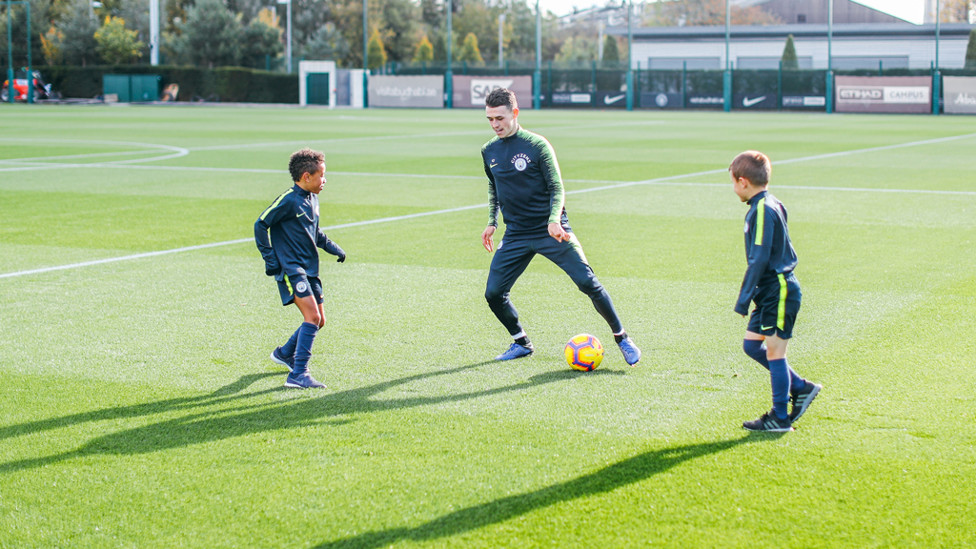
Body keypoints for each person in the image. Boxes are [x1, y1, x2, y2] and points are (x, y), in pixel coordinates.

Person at [480, 87, 641, 365]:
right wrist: (492, 222)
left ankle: (622, 337)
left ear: (515, 113)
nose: (495, 125)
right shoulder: (489, 151)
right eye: (490, 119)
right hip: (516, 233)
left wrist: (554, 220)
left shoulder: (537, 145)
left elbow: (557, 187)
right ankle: (521, 342)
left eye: (500, 118)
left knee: (587, 283)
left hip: (550, 230)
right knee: (493, 293)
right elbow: (495, 187)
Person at [730, 150, 821, 432]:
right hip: (770, 291)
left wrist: (743, 299)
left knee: (775, 353)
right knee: (751, 345)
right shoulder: (773, 203)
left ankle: (780, 418)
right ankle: (801, 387)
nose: (733, 188)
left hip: (778, 290)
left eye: (733, 182)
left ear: (743, 182)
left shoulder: (761, 210)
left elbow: (759, 258)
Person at [254, 148, 346, 389]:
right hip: (292, 270)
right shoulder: (289, 200)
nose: (325, 180)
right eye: (322, 175)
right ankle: (298, 374)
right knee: (312, 317)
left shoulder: (312, 198)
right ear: (306, 176)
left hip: (310, 268)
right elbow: (261, 224)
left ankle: (285, 353)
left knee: (320, 320)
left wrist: (334, 248)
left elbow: (314, 233)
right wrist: (271, 260)